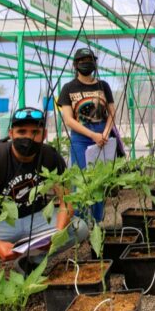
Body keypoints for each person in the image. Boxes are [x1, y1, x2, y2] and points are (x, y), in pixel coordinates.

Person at [0, 107, 88, 284]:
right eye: (21, 131)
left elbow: (66, 202)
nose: (28, 138)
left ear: (44, 134)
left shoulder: (50, 157)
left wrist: (57, 232)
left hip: (37, 219)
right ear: (11, 133)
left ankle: (29, 262)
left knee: (80, 228)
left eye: (35, 132)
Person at [58, 47, 116, 222]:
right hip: (81, 139)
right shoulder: (68, 88)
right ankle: (81, 223)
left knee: (99, 181)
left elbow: (112, 112)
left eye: (90, 60)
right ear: (75, 65)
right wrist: (92, 135)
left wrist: (104, 133)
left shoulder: (103, 85)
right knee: (81, 182)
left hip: (103, 138)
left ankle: (97, 221)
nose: (86, 63)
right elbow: (68, 119)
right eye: (82, 61)